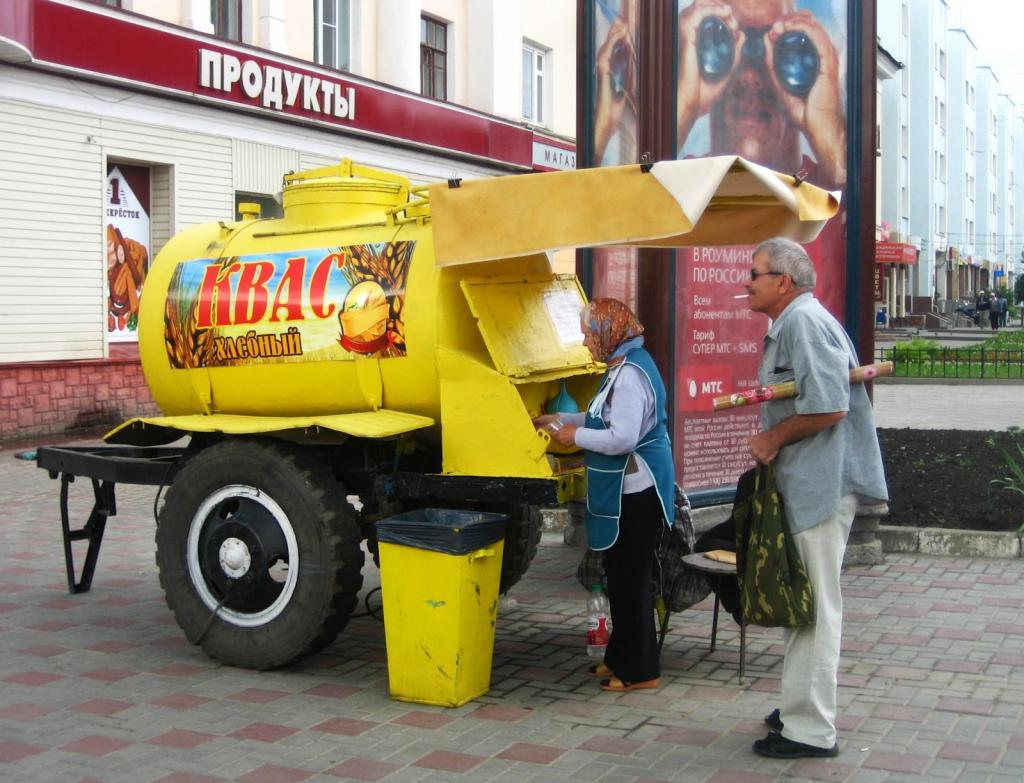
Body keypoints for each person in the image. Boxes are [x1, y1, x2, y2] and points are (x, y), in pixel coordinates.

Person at [744, 238, 887, 759]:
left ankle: (810, 729)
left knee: (817, 609)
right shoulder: (794, 321)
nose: (747, 280)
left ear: (783, 281)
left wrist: (771, 439)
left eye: (755, 272)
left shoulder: (803, 323)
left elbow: (829, 407)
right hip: (808, 482)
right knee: (805, 604)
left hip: (821, 484)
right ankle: (799, 705)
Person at [533, 298, 674, 693]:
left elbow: (622, 437)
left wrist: (573, 436)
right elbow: (600, 416)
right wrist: (560, 420)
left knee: (631, 580)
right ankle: (619, 657)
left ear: (609, 332)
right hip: (626, 488)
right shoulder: (619, 367)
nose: (584, 341)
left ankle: (641, 670)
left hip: (638, 490)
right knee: (620, 577)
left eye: (588, 333)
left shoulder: (630, 375)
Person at [676, 0, 847, 188]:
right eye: (724, 41)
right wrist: (684, 107)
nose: (750, 76)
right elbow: (639, 202)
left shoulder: (833, 198)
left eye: (780, 49)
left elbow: (866, 209)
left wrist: (829, 131)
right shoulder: (677, 187)